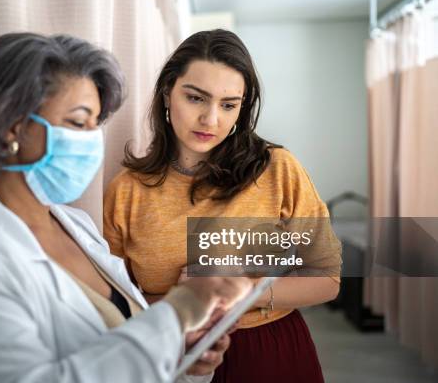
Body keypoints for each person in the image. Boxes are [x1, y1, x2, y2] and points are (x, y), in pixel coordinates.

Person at [0, 32, 254, 383]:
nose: (91, 142)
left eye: (95, 125)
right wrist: (178, 312)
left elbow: (126, 342)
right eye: (77, 122)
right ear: (9, 127)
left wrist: (183, 353)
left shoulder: (75, 225)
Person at [103, 29, 342, 383]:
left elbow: (327, 279)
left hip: (269, 352)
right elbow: (117, 304)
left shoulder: (277, 169)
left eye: (228, 105)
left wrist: (242, 292)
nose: (211, 119)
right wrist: (185, 301)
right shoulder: (126, 191)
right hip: (171, 354)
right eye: (196, 98)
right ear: (168, 92)